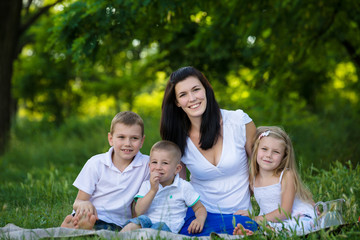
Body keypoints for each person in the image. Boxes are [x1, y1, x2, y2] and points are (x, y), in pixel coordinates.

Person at [160, 66, 258, 236]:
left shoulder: (239, 122)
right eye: (183, 95)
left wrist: (264, 215)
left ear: (206, 89)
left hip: (239, 215)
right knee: (183, 230)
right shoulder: (177, 137)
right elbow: (178, 186)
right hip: (199, 215)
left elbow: (263, 171)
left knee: (248, 225)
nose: (192, 98)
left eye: (196, 89)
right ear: (177, 102)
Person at [61, 111, 150, 230]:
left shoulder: (146, 165)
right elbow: (78, 201)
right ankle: (79, 224)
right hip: (93, 214)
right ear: (111, 139)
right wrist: (84, 203)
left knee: (128, 226)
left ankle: (83, 228)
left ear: (142, 141)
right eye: (121, 137)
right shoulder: (96, 163)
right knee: (85, 215)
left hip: (117, 221)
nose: (127, 143)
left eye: (134, 138)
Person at [234, 126, 316, 235]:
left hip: (297, 217)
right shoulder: (253, 178)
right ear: (256, 149)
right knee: (264, 226)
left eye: (276, 152)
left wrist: (256, 218)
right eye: (264, 149)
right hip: (273, 220)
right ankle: (255, 231)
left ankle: (263, 232)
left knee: (299, 226)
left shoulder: (286, 175)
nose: (269, 155)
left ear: (284, 156)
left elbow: (285, 212)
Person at [121, 140, 207, 234]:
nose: (158, 167)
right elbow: (138, 211)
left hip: (167, 229)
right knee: (137, 222)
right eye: (154, 162)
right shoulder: (147, 185)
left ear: (177, 169)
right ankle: (119, 236)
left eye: (165, 163)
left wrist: (199, 219)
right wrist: (153, 190)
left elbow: (199, 208)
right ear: (149, 166)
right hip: (146, 223)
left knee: (157, 227)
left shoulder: (183, 187)